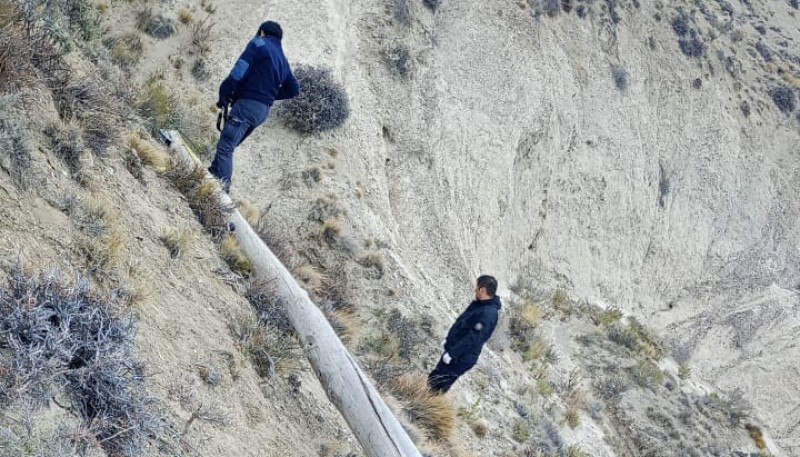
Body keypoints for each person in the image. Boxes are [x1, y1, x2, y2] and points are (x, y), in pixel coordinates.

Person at [208, 20, 300, 192]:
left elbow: (239, 71)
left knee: (226, 147)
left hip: (246, 106)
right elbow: (294, 89)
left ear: (262, 32)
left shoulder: (258, 43)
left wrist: (224, 93)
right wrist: (270, 96)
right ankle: (213, 173)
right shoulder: (283, 60)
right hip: (262, 112)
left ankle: (222, 191)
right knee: (228, 145)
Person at [428, 275, 502, 394]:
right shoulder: (480, 305)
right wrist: (449, 340)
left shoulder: (487, 313)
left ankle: (425, 405)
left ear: (482, 290)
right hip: (456, 351)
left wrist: (452, 353)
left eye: (476, 287)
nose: (474, 290)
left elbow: (473, 338)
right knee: (435, 378)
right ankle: (424, 400)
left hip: (460, 357)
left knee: (437, 384)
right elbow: (462, 325)